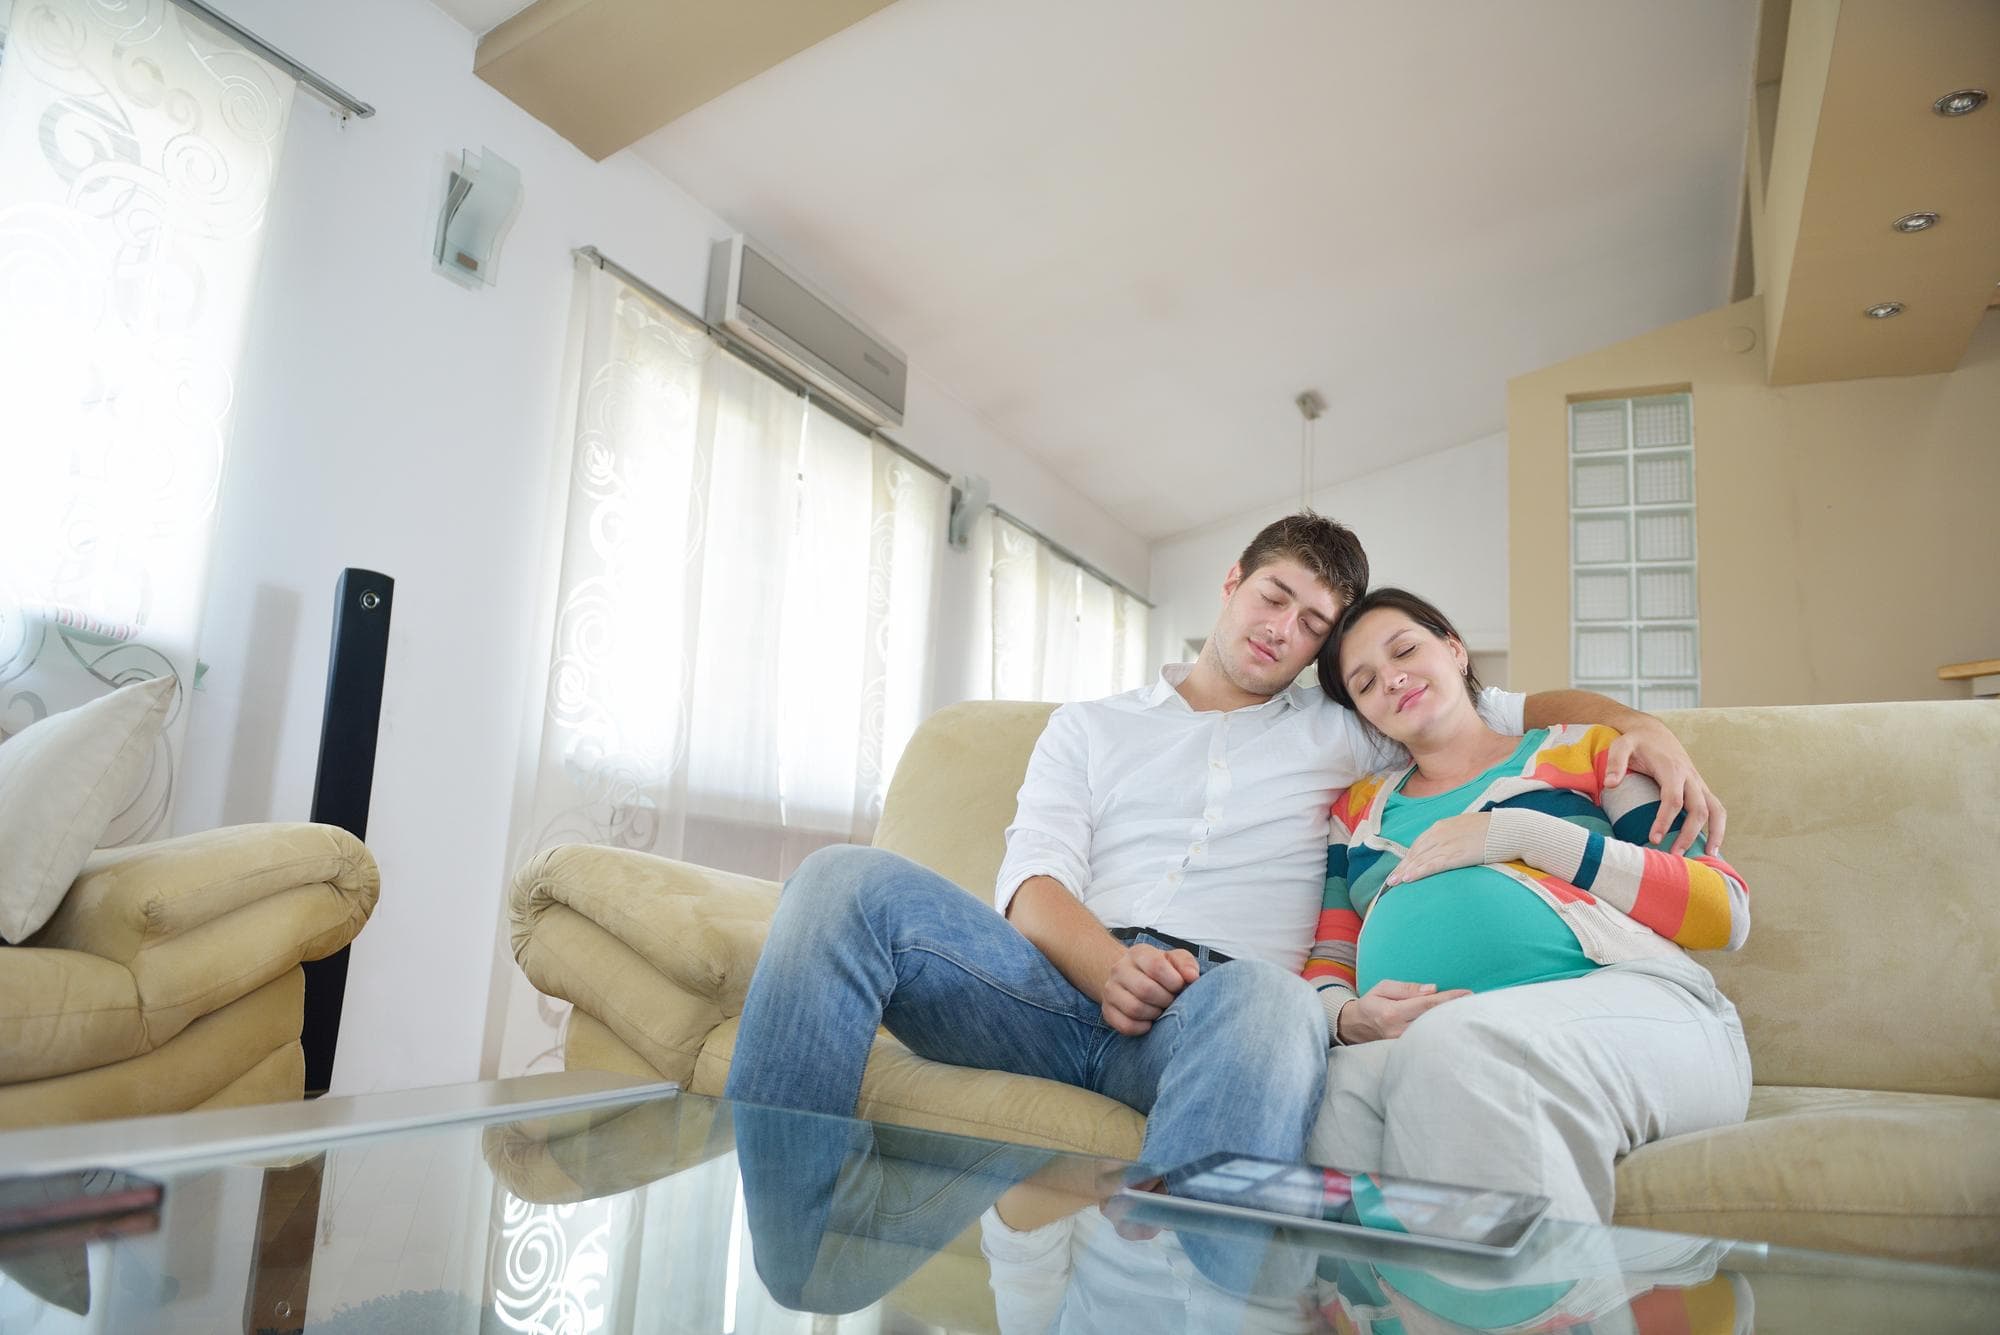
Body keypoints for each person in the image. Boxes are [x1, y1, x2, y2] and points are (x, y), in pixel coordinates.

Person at [725, 513, 1726, 1180]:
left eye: (1312, 625)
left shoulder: (1349, 722)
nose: (1282, 629)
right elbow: (1030, 881)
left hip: (1217, 1012)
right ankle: (783, 1218)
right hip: (1038, 990)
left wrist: (1647, 729)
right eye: (1273, 597)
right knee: (838, 881)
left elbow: (1505, 711)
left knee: (1267, 995)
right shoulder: (1090, 725)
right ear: (1232, 582)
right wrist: (1107, 965)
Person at [1302, 587, 1752, 1223]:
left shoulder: (1589, 750)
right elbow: (1328, 956)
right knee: (1333, 1097)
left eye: (1405, 650)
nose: (1392, 678)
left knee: (1460, 1047)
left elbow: (1724, 910)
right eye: (1366, 682)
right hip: (1436, 1041)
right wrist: (1348, 1019)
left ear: (1455, 651)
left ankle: (1552, 1312)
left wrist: (1519, 835)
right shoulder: (1355, 811)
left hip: (1644, 1003)